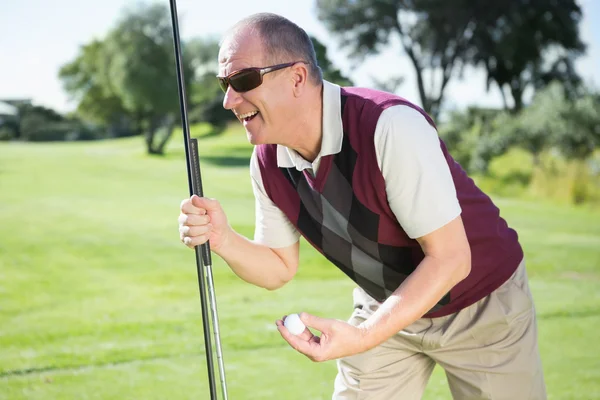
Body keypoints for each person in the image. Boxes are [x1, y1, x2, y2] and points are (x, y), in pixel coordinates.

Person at [178, 12, 546, 400]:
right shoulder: (268, 162)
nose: (228, 99)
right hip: (390, 301)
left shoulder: (389, 125)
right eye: (225, 83)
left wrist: (364, 336)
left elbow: (452, 259)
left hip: (482, 302)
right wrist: (222, 239)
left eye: (243, 80)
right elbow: (278, 267)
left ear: (297, 78)